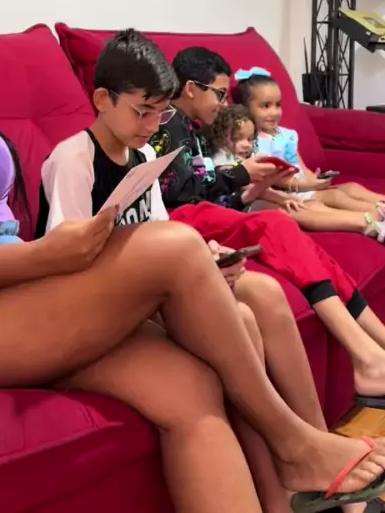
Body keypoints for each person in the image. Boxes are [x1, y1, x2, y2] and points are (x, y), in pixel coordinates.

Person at [0, 0, 384, 513]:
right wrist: (42, 258)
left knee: (190, 387)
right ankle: (294, 443)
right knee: (175, 248)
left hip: (3, 291)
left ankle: (287, 474)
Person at [39, 29, 372, 513]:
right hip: (100, 300)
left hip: (148, 285)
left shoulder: (144, 155)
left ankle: (314, 450)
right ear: (103, 99)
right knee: (242, 321)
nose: (151, 125)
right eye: (141, 111)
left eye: (160, 113)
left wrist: (207, 258)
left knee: (263, 294)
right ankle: (291, 478)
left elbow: (157, 232)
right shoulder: (74, 158)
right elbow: (65, 257)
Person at [150, 45, 385, 409]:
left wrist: (254, 186)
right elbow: (179, 191)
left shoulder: (195, 129)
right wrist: (241, 174)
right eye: (219, 94)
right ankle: (365, 356)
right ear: (192, 89)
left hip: (207, 211)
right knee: (276, 224)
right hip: (180, 220)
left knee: (310, 249)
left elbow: (210, 189)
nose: (224, 103)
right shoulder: (167, 123)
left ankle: (377, 346)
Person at [233, 68, 385, 239]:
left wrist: (315, 179)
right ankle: (372, 217)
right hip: (287, 192)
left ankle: (380, 207)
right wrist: (308, 186)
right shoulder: (251, 143)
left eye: (278, 105)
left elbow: (300, 165)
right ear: (245, 109)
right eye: (266, 106)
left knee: (350, 188)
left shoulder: (286, 135)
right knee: (322, 203)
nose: (274, 112)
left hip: (303, 186)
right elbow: (276, 180)